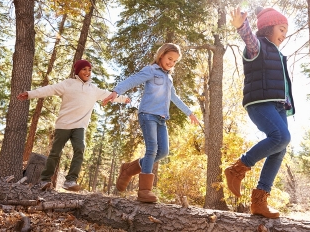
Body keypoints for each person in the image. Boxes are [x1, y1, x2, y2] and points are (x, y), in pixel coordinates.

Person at [103, 43, 199, 203]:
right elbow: (133, 80)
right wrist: (116, 91)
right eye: (169, 59)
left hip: (161, 118)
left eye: (175, 61)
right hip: (147, 114)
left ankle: (128, 169)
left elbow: (174, 98)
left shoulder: (168, 78)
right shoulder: (151, 70)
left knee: (163, 152)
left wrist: (189, 113)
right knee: (152, 149)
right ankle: (144, 190)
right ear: (161, 55)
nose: (171, 63)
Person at [17, 60, 130, 191]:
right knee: (55, 153)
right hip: (63, 124)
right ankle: (45, 180)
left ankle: (70, 181)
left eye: (89, 70)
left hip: (80, 126)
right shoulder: (68, 84)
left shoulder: (94, 89)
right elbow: (49, 89)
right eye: (84, 69)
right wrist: (30, 94)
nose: (87, 72)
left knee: (80, 148)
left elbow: (109, 95)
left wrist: (123, 99)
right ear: (77, 71)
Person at [225, 7, 295, 218]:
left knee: (280, 148)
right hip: (260, 103)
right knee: (281, 137)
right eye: (281, 29)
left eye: (286, 31)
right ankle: (237, 169)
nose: (284, 34)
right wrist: (241, 26)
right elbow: (249, 39)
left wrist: (287, 103)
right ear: (267, 29)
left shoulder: (278, 54)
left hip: (278, 106)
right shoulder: (259, 47)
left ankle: (259, 201)